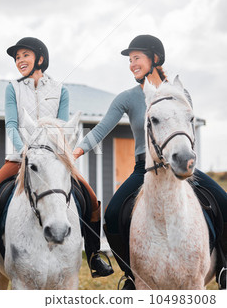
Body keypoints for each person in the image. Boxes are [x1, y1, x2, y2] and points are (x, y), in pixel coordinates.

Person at [73, 34, 227, 290]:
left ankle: (223, 266)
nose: (132, 64)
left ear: (155, 58)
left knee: (223, 203)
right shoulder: (128, 98)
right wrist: (76, 151)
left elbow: (186, 128)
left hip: (180, 163)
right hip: (145, 167)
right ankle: (132, 275)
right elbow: (102, 129)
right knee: (112, 216)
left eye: (137, 58)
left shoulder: (180, 93)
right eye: (130, 60)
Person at [0, 37, 114, 282]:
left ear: (40, 58)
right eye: (17, 58)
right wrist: (26, 152)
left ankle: (94, 255)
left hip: (55, 160)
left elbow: (61, 129)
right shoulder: (12, 88)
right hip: (19, 158)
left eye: (24, 55)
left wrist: (55, 153)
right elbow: (12, 125)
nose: (19, 61)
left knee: (90, 200)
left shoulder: (60, 90)